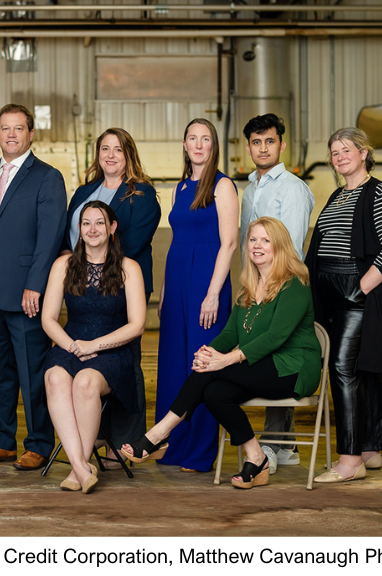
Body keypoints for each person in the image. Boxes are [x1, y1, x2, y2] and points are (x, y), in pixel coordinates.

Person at [122, 217, 320, 490]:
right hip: (261, 365)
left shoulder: (294, 284)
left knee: (213, 372)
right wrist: (209, 352)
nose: (257, 246)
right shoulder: (248, 287)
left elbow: (276, 337)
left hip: (294, 368)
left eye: (265, 240)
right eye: (253, 240)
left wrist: (227, 359)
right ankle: (256, 457)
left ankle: (159, 433)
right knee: (214, 392)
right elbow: (230, 335)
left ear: (280, 246)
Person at [0, 104, 67, 471]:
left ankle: (39, 442)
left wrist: (36, 285)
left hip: (25, 293)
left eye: (19, 128)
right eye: (5, 128)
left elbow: (50, 236)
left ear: (31, 133)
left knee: (31, 371)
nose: (11, 134)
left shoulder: (47, 177)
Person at [305, 127, 382, 483]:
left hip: (356, 292)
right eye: (334, 152)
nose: (339, 156)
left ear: (364, 153)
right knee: (363, 370)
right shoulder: (336, 196)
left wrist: (360, 288)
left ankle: (349, 461)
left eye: (346, 149)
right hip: (330, 292)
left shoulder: (379, 191)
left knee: (342, 369)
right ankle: (370, 448)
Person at [63, 128, 160, 462]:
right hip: (83, 286)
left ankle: (126, 440)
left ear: (128, 154)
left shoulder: (143, 194)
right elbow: (71, 237)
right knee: (90, 364)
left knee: (124, 361)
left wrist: (100, 274)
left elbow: (131, 244)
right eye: (104, 148)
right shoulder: (84, 192)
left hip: (121, 284)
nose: (110, 155)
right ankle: (95, 437)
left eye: (118, 149)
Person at [43, 201, 147, 493]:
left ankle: (80, 465)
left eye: (99, 222)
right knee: (54, 377)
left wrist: (95, 346)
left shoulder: (129, 268)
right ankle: (80, 467)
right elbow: (48, 319)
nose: (92, 229)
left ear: (112, 228)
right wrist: (73, 347)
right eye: (86, 223)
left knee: (86, 383)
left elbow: (136, 325)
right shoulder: (63, 265)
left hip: (112, 349)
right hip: (71, 342)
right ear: (79, 229)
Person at [155, 118, 238, 472]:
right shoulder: (178, 188)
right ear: (185, 145)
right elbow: (174, 241)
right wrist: (163, 291)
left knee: (202, 364)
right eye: (193, 138)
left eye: (206, 138)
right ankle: (176, 445)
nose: (199, 144)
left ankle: (202, 452)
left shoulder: (223, 186)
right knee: (175, 364)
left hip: (208, 282)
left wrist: (213, 293)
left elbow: (230, 243)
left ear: (213, 145)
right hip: (177, 283)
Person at [239, 113, 315, 474]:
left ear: (281, 144)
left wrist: (274, 291)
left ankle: (273, 443)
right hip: (254, 287)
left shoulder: (293, 189)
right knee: (264, 359)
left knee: (274, 357)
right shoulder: (250, 190)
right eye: (256, 142)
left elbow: (293, 248)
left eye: (269, 141)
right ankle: (285, 445)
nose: (263, 147)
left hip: (280, 288)